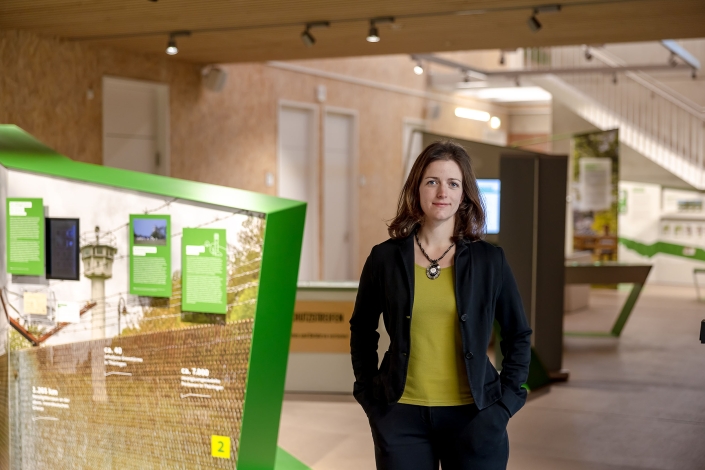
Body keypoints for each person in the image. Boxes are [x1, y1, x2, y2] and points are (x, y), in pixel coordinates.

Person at [349, 141, 532, 470]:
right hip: (400, 417)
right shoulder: (385, 258)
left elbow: (517, 333)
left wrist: (506, 403)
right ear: (416, 188)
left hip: (476, 417)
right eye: (432, 181)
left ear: (464, 194)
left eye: (453, 183)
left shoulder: (490, 261)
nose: (441, 192)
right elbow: (362, 329)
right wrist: (368, 395)